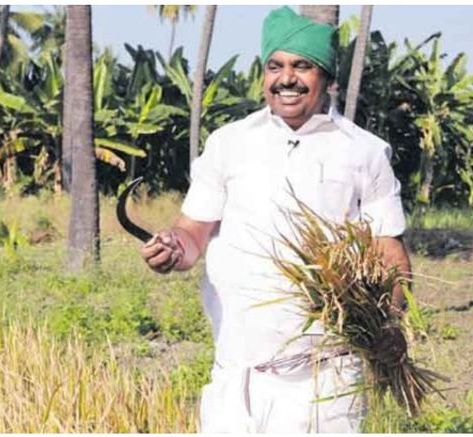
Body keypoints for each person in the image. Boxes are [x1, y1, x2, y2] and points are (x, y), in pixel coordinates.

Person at [140, 6, 411, 433]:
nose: (287, 78)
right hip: (238, 374)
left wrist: (391, 322)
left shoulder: (364, 152)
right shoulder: (229, 143)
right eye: (275, 66)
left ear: (328, 78)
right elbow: (193, 231)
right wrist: (173, 248)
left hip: (327, 378)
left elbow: (388, 248)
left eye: (302, 66)